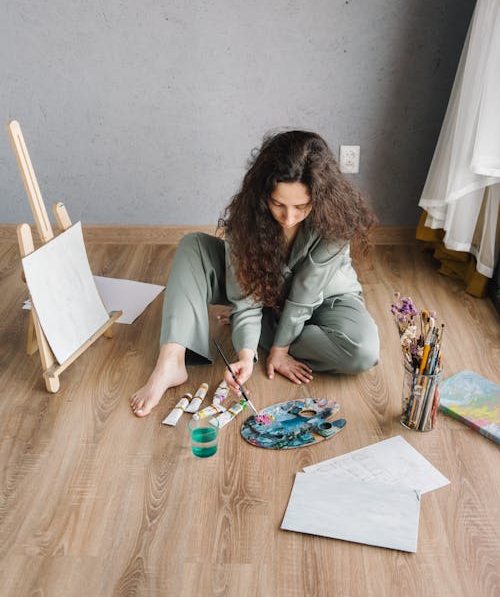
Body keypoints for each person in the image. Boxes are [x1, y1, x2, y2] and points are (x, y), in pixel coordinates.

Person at [130, 130, 380, 417]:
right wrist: (246, 356)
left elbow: (306, 293)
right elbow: (247, 294)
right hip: (262, 295)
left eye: (301, 207)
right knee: (192, 246)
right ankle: (170, 362)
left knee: (363, 351)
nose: (288, 218)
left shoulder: (336, 220)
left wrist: (281, 349)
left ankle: (267, 330)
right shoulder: (247, 219)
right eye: (278, 205)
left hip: (324, 300)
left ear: (320, 197)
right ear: (263, 196)